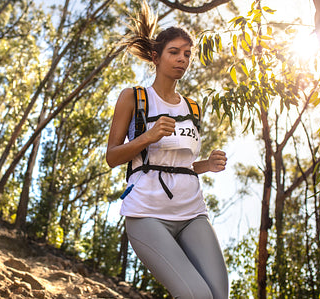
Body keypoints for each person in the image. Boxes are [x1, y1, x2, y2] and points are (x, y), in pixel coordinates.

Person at [105, 2, 229, 299]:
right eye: (174, 52)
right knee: (196, 295)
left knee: (218, 295)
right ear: (155, 56)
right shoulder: (134, 97)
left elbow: (180, 164)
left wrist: (206, 165)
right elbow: (112, 157)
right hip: (146, 213)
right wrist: (147, 137)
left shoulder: (193, 108)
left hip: (191, 212)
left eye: (187, 54)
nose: (182, 60)